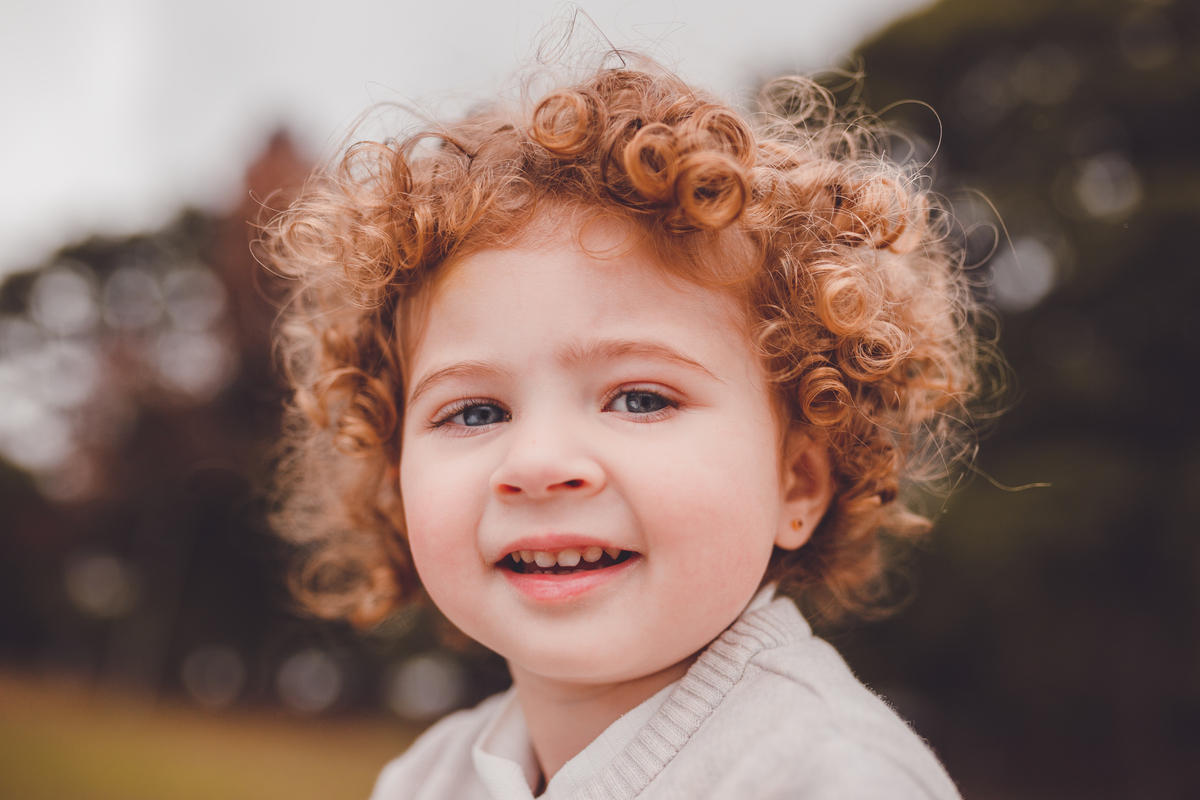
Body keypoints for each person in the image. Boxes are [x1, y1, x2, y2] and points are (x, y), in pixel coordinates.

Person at [263, 53, 982, 799]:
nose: (538, 462)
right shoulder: (424, 781)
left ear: (796, 482)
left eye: (639, 399)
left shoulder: (828, 776)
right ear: (395, 479)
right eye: (475, 411)